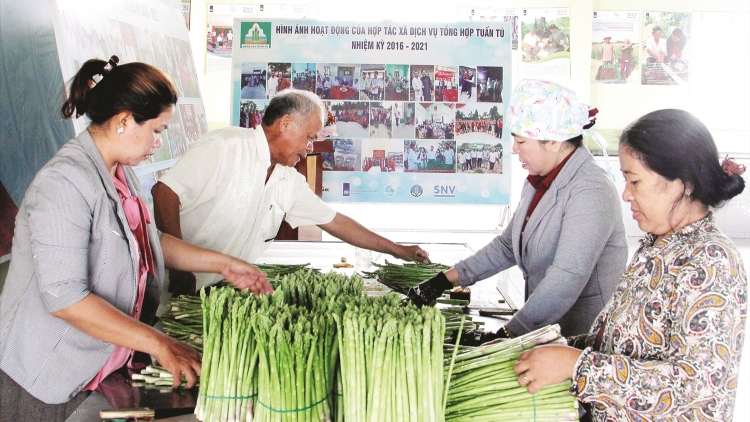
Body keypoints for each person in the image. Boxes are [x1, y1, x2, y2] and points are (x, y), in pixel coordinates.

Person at [0, 57, 272, 420]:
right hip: (48, 375)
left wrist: (224, 263)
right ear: (125, 120)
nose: (158, 143)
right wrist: (159, 343)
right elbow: (65, 299)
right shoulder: (64, 183)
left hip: (101, 364)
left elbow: (145, 240)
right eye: (157, 130)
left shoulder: (117, 170)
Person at [513, 109, 747, 421]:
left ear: (682, 184)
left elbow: (698, 390)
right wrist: (540, 348)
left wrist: (576, 365)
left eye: (634, 181)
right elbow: (615, 344)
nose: (625, 195)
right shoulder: (656, 246)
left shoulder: (710, 261)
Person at [151, 89, 430, 295]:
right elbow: (165, 193)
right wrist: (179, 267)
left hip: (207, 289)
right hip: (162, 283)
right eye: (310, 138)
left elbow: (335, 222)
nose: (310, 148)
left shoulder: (288, 179)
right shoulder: (225, 146)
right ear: (285, 124)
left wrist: (398, 250)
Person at [408, 79, 628, 340]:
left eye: (521, 142)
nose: (514, 149)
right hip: (546, 330)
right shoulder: (539, 181)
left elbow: (566, 278)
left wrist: (507, 334)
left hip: (580, 337)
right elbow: (507, 246)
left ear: (555, 142)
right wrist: (443, 281)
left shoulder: (590, 190)